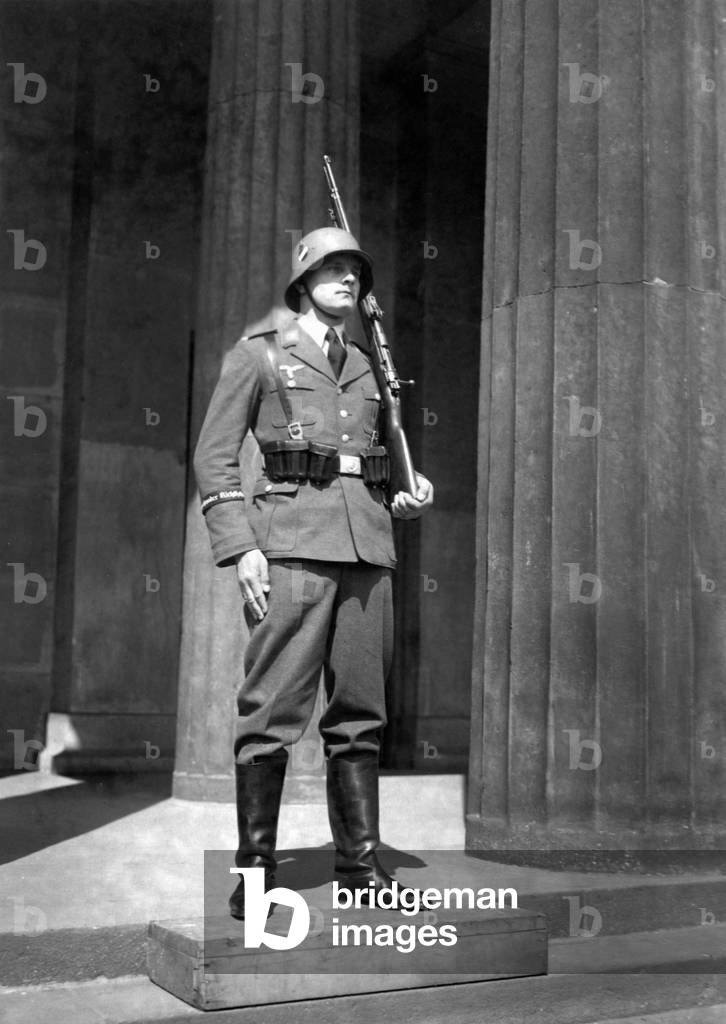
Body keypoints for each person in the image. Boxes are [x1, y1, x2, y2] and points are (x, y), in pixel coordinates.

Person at [194, 226, 433, 919]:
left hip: (367, 553)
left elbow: (379, 462)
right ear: (302, 281)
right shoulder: (260, 355)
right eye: (333, 269)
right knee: (271, 713)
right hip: (292, 547)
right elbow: (215, 458)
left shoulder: (368, 365)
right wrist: (241, 547)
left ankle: (360, 867)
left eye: (356, 271)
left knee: (360, 717)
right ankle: (255, 877)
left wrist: (410, 493)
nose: (347, 280)